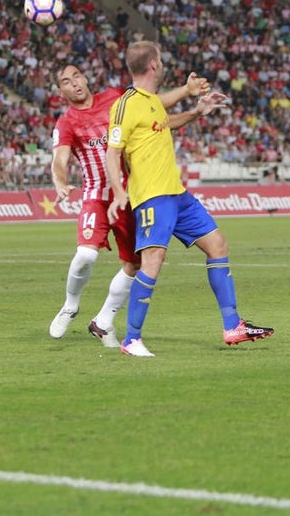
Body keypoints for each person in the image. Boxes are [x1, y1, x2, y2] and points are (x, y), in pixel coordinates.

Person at [105, 40, 273, 358]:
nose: (164, 64)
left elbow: (165, 124)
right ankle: (132, 339)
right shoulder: (125, 104)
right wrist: (118, 192)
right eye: (161, 59)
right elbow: (112, 152)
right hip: (153, 196)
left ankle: (232, 325)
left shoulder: (152, 102)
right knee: (152, 261)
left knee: (218, 245)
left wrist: (197, 111)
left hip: (177, 194)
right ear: (153, 64)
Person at [48, 64, 210, 348]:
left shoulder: (114, 98)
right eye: (65, 81)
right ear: (61, 92)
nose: (73, 83)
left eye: (76, 76)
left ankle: (103, 320)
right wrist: (60, 184)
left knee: (134, 264)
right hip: (96, 196)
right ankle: (70, 306)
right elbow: (59, 161)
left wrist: (186, 91)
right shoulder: (67, 123)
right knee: (86, 255)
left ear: (85, 78)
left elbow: (153, 107)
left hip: (128, 195)